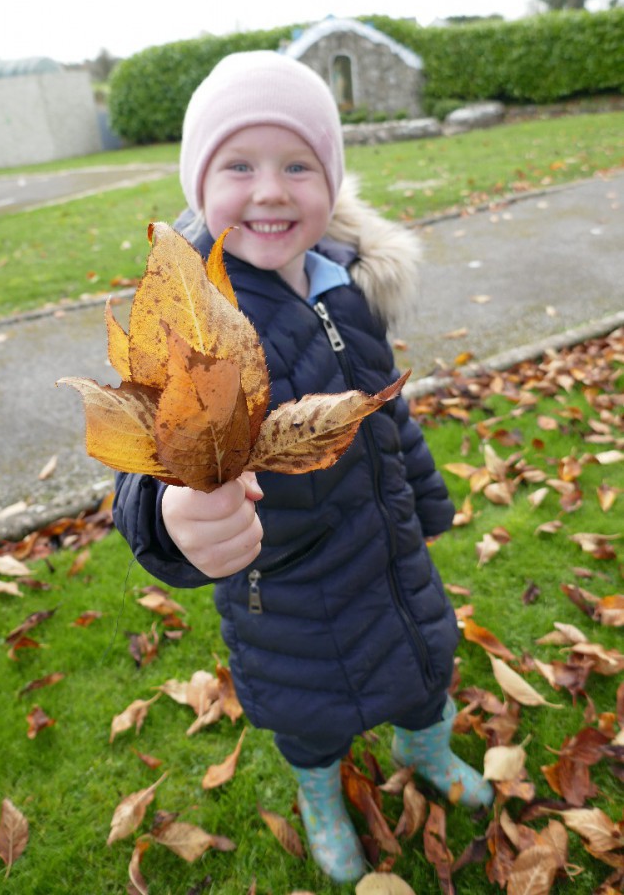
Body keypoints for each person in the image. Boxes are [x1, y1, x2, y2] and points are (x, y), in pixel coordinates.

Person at [113, 50, 493, 883]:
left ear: (331, 180)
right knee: (310, 713)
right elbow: (150, 460)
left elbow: (386, 410)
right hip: (285, 588)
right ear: (198, 185)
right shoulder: (196, 322)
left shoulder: (345, 286)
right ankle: (322, 796)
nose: (272, 191)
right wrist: (170, 517)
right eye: (239, 166)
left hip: (388, 554)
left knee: (424, 665)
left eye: (298, 165)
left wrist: (426, 502)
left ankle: (426, 748)